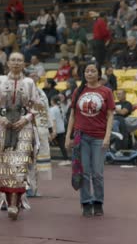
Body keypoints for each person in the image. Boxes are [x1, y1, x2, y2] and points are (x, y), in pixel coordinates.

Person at [0, 52, 40, 220]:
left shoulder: (29, 83)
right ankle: (7, 199)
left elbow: (35, 107)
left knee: (19, 164)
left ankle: (14, 203)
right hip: (2, 127)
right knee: (6, 165)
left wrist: (25, 119)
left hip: (23, 127)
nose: (16, 63)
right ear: (8, 63)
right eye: (13, 60)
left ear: (24, 63)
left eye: (19, 60)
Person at [65, 64, 114, 217]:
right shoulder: (78, 91)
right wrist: (68, 136)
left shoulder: (106, 91)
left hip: (99, 137)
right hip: (81, 137)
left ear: (99, 74)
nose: (89, 73)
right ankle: (86, 202)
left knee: (97, 173)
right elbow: (72, 115)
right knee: (84, 172)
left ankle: (98, 202)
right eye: (87, 71)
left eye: (93, 71)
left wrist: (107, 136)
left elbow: (110, 115)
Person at [24, 66, 53, 197]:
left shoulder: (41, 92)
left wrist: (51, 128)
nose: (35, 77)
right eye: (32, 75)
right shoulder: (22, 92)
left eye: (36, 75)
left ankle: (34, 188)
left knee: (37, 161)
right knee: (27, 159)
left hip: (42, 129)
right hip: (27, 128)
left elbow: (47, 110)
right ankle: (26, 187)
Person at [50, 95, 71, 166]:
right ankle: (66, 159)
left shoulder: (52, 109)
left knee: (47, 143)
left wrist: (54, 131)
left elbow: (53, 121)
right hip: (62, 129)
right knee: (62, 145)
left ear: (53, 101)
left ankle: (66, 159)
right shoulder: (60, 108)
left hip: (56, 130)